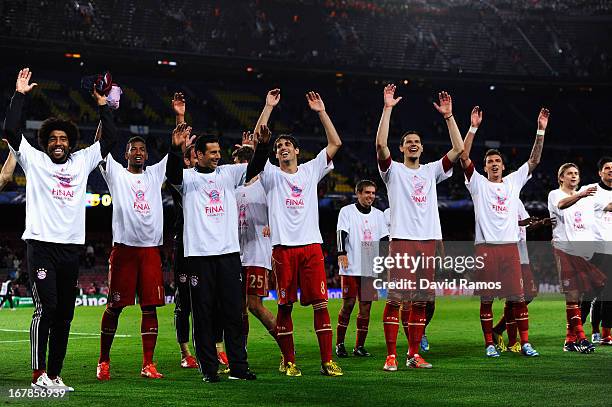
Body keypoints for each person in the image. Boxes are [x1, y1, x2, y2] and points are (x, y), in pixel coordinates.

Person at [3, 68, 116, 390]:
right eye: (52, 138)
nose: (58, 143)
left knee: (65, 314)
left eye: (63, 139)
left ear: (70, 143)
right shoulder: (34, 160)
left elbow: (110, 138)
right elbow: (11, 130)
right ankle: (38, 375)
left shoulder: (82, 161)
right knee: (47, 307)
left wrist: (102, 103)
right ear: (45, 141)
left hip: (71, 247)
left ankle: (54, 374)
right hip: (41, 245)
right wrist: (20, 95)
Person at [166, 121, 269, 382]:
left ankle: (238, 367)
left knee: (233, 312)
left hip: (228, 255)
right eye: (211, 152)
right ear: (198, 154)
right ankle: (209, 370)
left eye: (218, 152)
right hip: (199, 256)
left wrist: (264, 146)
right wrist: (176, 148)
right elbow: (173, 174)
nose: (217, 156)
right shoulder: (187, 179)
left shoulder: (227, 173)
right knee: (203, 315)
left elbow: (255, 167)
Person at [253, 89, 343, 377]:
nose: (282, 147)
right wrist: (267, 107)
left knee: (320, 303)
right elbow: (258, 142)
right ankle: (289, 360)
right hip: (282, 249)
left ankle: (327, 360)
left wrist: (322, 112)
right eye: (279, 145)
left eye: (288, 144)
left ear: (297, 151)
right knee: (285, 305)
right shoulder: (270, 174)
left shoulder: (309, 170)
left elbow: (335, 142)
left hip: (311, 247)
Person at [375, 85, 463, 370]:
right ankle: (391, 356)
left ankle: (413, 354)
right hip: (402, 240)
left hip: (427, 243)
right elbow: (379, 145)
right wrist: (388, 109)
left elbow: (459, 149)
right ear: (401, 148)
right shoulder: (393, 171)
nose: (413, 143)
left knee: (422, 302)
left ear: (422, 148)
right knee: (396, 299)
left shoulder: (431, 170)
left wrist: (449, 117)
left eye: (417, 141)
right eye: (408, 141)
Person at [461, 105, 549, 358]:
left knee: (518, 298)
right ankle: (490, 343)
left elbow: (534, 161)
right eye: (490, 162)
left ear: (503, 165)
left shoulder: (513, 182)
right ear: (485, 167)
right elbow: (463, 156)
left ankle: (524, 343)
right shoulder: (476, 183)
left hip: (510, 249)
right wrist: (473, 128)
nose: (494, 164)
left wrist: (540, 132)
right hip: (486, 249)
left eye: (497, 161)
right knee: (486, 299)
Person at [95, 127, 169, 380]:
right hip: (125, 249)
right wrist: (105, 114)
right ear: (125, 154)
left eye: (141, 150)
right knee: (115, 307)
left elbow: (176, 152)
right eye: (133, 149)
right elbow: (99, 146)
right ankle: (103, 361)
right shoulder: (116, 173)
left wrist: (179, 118)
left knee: (150, 308)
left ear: (147, 155)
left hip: (150, 250)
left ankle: (148, 364)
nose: (137, 153)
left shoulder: (155, 174)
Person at [548, 163, 604, 353]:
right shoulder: (555, 194)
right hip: (564, 250)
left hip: (583, 253)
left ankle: (569, 340)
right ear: (561, 177)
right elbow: (562, 205)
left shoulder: (587, 197)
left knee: (581, 296)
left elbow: (608, 206)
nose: (573, 176)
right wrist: (580, 194)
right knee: (572, 296)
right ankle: (581, 338)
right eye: (569, 173)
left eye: (576, 173)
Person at [233, 141, 280, 350]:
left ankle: (286, 346)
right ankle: (240, 355)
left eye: (238, 164)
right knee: (238, 309)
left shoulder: (264, 185)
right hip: (236, 256)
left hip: (257, 255)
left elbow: (279, 210)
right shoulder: (233, 189)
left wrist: (273, 227)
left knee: (255, 306)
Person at [335, 180, 389, 358]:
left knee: (365, 307)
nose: (370, 196)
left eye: (373, 193)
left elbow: (384, 239)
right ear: (358, 193)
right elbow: (341, 233)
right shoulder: (347, 211)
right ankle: (340, 344)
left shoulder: (379, 215)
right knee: (348, 304)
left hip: (369, 267)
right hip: (350, 266)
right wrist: (341, 252)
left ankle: (359, 346)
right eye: (367, 193)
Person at [492, 200, 551, 353]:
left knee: (528, 295)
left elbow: (525, 226)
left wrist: (539, 224)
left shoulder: (516, 201)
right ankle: (514, 342)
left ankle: (498, 330)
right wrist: (520, 222)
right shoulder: (498, 198)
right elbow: (496, 223)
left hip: (523, 256)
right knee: (514, 298)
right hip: (507, 255)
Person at [587, 157, 612, 346]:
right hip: (597, 250)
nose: (610, 170)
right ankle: (586, 330)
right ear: (600, 172)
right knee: (591, 293)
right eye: (607, 168)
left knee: (609, 294)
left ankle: (605, 333)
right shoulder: (592, 191)